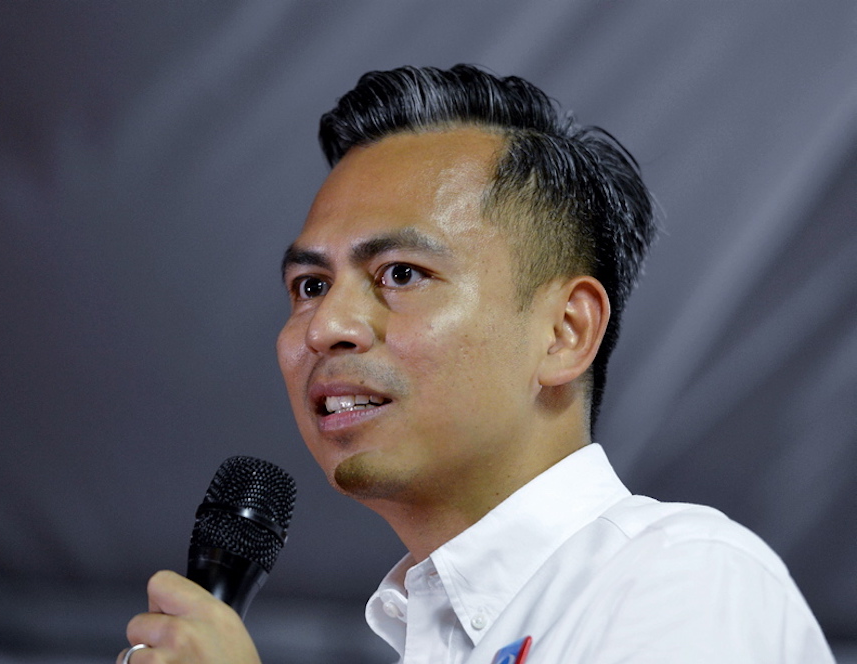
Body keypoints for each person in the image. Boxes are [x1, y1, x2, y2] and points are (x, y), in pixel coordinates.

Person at [118, 65, 835, 663]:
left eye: (400, 273)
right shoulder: (429, 637)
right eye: (310, 286)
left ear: (564, 331)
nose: (326, 325)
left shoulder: (685, 577)